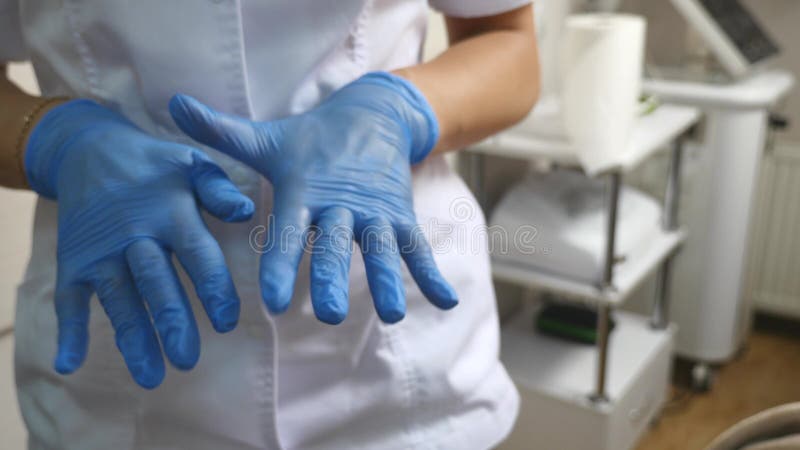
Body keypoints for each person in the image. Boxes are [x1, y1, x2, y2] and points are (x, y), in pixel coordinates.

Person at [0, 0, 540, 448]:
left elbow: (509, 44)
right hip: (120, 390)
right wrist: (52, 142)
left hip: (395, 377)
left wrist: (398, 110)